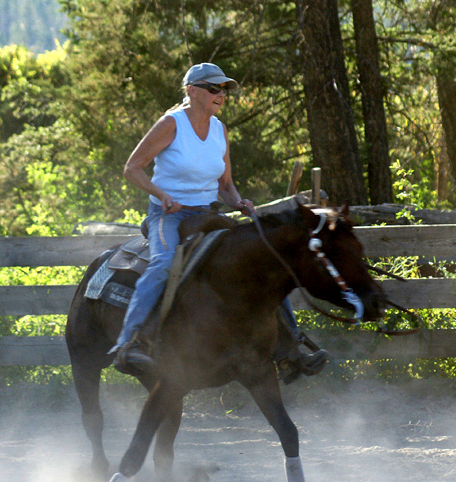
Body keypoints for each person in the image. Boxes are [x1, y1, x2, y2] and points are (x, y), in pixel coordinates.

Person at [111, 62, 327, 380]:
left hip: (209, 213)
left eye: (223, 89)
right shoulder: (171, 124)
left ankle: (291, 348)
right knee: (163, 263)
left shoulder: (219, 130)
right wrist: (161, 194)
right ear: (192, 91)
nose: (221, 94)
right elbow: (132, 168)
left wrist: (238, 201)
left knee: (263, 257)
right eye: (213, 88)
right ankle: (128, 343)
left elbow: (225, 185)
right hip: (167, 215)